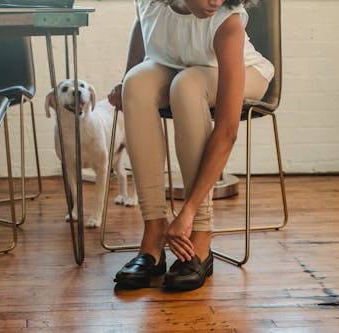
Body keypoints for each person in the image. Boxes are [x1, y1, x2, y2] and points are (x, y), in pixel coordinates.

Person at [108, 0, 274, 291]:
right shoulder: (150, 2)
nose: (216, 1)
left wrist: (188, 210)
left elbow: (227, 130)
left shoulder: (227, 21)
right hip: (176, 64)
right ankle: (153, 233)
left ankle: (199, 235)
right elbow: (142, 24)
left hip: (244, 72)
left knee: (187, 87)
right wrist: (124, 77)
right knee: (135, 83)